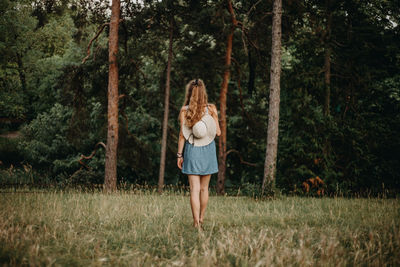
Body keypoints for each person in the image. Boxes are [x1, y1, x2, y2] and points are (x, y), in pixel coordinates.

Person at [177, 78, 221, 229]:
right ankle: (201, 217)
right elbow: (218, 133)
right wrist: (214, 117)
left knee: (194, 189)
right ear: (204, 93)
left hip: (192, 149)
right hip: (208, 150)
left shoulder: (185, 111)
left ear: (190, 93)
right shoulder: (212, 109)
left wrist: (179, 155)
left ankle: (196, 223)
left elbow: (182, 135)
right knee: (204, 188)